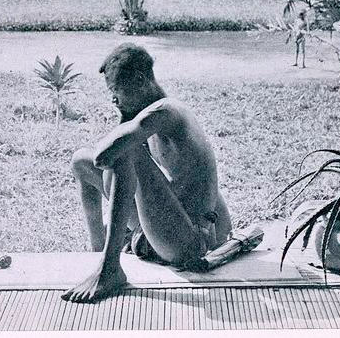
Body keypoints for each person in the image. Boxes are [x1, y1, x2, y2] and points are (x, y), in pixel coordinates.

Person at [64, 43, 232, 303]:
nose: (114, 100)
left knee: (125, 152)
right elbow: (98, 163)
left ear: (141, 81)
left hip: (190, 242)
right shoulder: (148, 119)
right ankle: (98, 253)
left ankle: (110, 269)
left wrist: (125, 124)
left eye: (116, 91)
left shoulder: (166, 112)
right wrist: (125, 121)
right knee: (80, 162)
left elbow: (106, 155)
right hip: (167, 230)